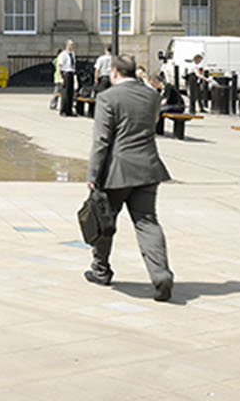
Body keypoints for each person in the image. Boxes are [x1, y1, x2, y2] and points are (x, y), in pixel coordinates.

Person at [85, 54, 175, 302]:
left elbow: (102, 140)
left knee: (104, 221)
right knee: (147, 222)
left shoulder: (107, 98)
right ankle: (161, 275)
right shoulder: (152, 95)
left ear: (114, 72)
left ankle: (101, 270)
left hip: (117, 170)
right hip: (148, 167)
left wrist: (93, 174)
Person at [55, 40, 78, 117]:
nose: (72, 46)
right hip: (65, 73)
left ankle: (69, 110)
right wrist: (60, 78)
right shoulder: (63, 54)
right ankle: (63, 110)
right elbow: (59, 66)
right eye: (71, 45)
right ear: (67, 45)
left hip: (71, 73)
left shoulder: (73, 54)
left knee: (71, 93)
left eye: (72, 45)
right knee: (65, 93)